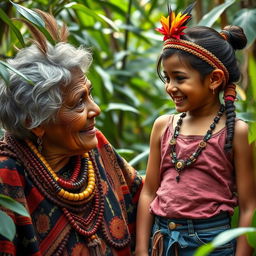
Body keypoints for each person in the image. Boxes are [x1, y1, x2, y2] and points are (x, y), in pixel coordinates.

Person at [0, 9, 143, 256]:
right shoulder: (7, 172)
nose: (95, 109)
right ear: (36, 122)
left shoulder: (95, 145)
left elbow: (146, 202)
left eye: (90, 94)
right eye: (79, 102)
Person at [135, 3, 256, 256]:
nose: (170, 87)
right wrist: (141, 249)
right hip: (162, 240)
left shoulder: (237, 132)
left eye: (179, 78)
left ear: (214, 79)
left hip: (213, 243)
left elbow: (248, 205)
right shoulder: (163, 126)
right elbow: (149, 192)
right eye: (167, 78)